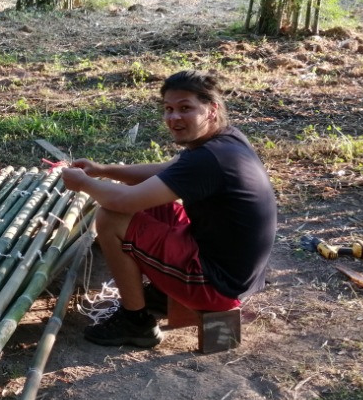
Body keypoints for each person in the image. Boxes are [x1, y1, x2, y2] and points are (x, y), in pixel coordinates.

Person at [61, 70, 276, 348]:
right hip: (232, 271)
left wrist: (84, 183)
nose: (174, 118)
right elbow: (165, 171)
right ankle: (163, 291)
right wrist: (103, 170)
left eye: (185, 108)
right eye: (169, 109)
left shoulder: (207, 159)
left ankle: (135, 322)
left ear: (211, 110)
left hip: (217, 285)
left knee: (110, 217)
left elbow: (123, 202)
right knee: (153, 203)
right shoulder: (225, 140)